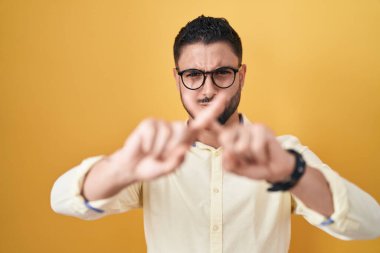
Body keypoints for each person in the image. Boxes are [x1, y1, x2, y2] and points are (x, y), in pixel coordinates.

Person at [50, 15, 380, 253]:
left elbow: (371, 223)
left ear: (241, 75)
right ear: (177, 78)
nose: (207, 90)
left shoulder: (282, 154)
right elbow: (62, 199)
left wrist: (291, 173)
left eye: (222, 72)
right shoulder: (154, 155)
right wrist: (124, 166)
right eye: (193, 74)